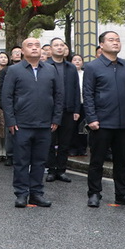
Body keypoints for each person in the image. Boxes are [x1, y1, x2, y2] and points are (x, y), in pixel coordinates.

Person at [83, 31, 125, 208]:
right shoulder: (93, 67)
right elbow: (88, 94)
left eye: (117, 40)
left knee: (121, 161)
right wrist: (91, 118)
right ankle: (94, 193)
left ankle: (122, 193)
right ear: (101, 45)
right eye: (111, 40)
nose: (115, 43)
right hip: (101, 122)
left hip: (124, 121)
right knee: (97, 161)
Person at [1, 38, 62, 208]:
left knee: (40, 161)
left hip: (45, 124)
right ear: (22, 50)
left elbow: (58, 95)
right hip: (22, 124)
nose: (34, 48)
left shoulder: (50, 69)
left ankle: (36, 193)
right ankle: (21, 193)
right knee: (21, 161)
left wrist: (56, 118)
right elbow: (6, 98)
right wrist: (11, 121)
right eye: (30, 45)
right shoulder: (13, 70)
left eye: (37, 45)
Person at [45, 38, 81, 183]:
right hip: (50, 111)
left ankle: (61, 170)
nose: (59, 48)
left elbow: (76, 89)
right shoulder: (45, 65)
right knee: (50, 142)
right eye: (56, 45)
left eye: (62, 45)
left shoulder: (71, 67)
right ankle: (51, 170)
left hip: (68, 109)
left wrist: (77, 109)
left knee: (65, 143)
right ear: (50, 49)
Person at [69, 54, 88, 156]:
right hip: (72, 105)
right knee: (72, 128)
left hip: (84, 104)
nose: (77, 62)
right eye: (75, 60)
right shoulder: (69, 73)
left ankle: (82, 148)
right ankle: (72, 148)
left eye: (79, 60)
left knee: (83, 128)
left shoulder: (85, 74)